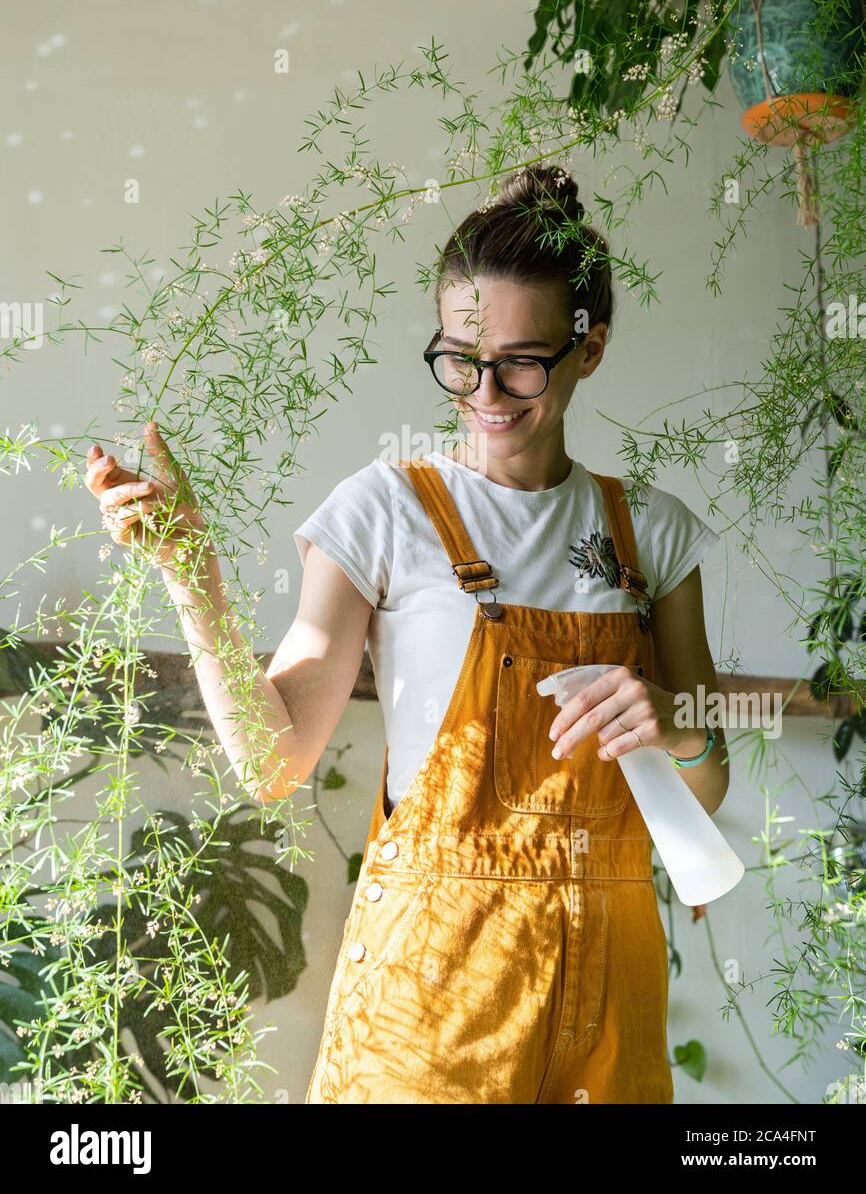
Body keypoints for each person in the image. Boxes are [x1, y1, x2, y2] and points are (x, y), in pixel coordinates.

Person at [85, 164, 726, 1105]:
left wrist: (676, 728)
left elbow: (708, 786)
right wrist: (194, 576)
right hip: (431, 997)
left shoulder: (654, 536)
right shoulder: (383, 513)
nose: (486, 393)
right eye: (460, 360)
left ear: (588, 349)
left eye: (521, 361)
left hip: (615, 999)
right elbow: (275, 760)